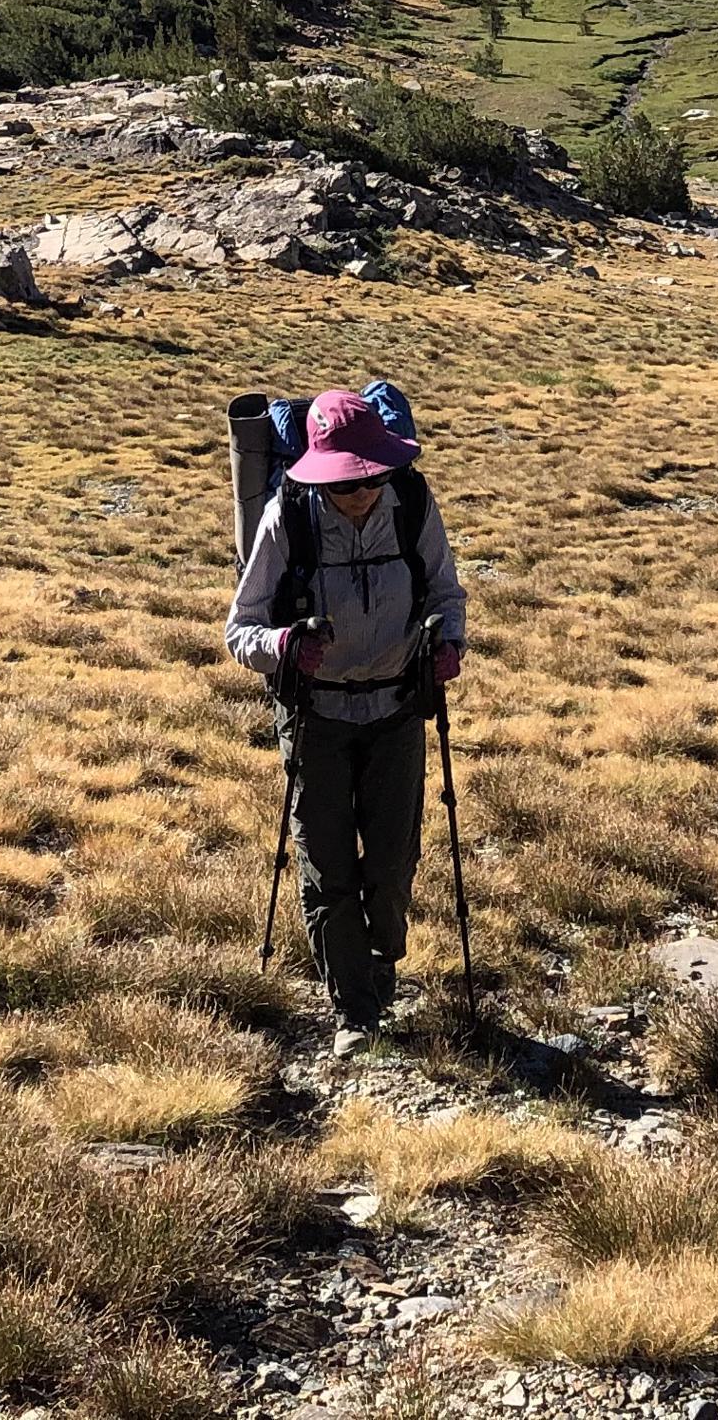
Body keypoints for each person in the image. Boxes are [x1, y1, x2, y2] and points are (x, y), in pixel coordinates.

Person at [224, 384, 466, 1041]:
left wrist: (448, 641)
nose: (359, 494)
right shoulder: (289, 517)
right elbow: (239, 629)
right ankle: (355, 1008)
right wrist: (281, 646)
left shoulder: (412, 503)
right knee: (328, 868)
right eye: (344, 485)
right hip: (317, 718)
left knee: (391, 865)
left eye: (370, 480)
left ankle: (382, 961)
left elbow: (444, 589)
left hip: (394, 709)